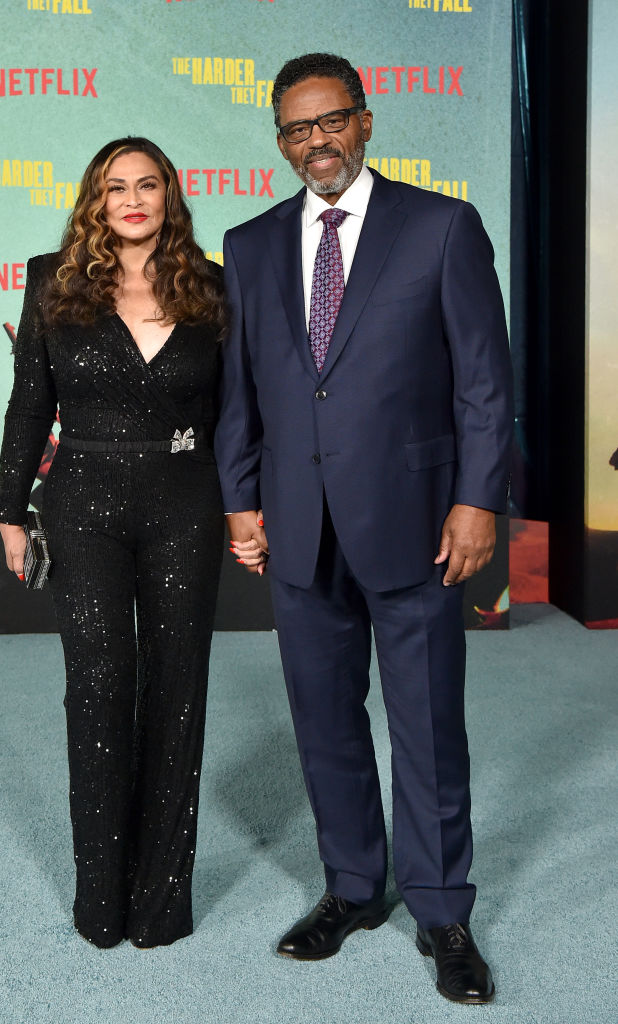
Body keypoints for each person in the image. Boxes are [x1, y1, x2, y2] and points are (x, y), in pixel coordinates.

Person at [214, 53, 513, 1003]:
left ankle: (440, 908)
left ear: (366, 120)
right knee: (325, 723)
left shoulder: (441, 227)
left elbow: (483, 384)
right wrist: (240, 499)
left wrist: (477, 502)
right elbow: (241, 397)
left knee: (427, 723)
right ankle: (351, 887)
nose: (317, 142)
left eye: (330, 121)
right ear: (280, 141)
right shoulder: (251, 244)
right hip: (298, 527)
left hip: (420, 522)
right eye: (297, 129)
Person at [0, 137, 226, 949]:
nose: (132, 199)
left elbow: (236, 417)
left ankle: (160, 903)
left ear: (170, 194)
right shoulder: (51, 281)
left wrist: (248, 510)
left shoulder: (214, 289)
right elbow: (29, 404)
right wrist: (10, 511)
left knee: (177, 690)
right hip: (83, 502)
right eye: (114, 187)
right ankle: (101, 900)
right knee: (96, 690)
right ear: (94, 201)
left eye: (147, 184)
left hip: (186, 505)